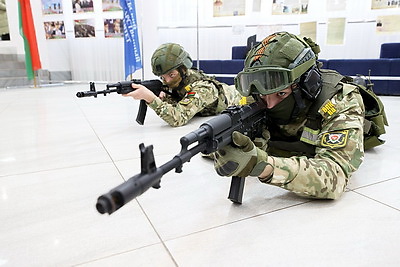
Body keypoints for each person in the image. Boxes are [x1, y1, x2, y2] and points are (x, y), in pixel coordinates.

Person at [213, 31, 365, 200]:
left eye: (281, 94)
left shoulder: (339, 100)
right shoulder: (254, 98)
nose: (269, 104)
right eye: (263, 95)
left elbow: (335, 177)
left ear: (308, 85)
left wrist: (264, 166)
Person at [123, 43, 245, 127]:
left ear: (183, 69)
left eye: (171, 75)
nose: (167, 81)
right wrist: (164, 98)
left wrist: (150, 98)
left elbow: (178, 118)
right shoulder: (179, 82)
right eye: (162, 77)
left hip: (241, 97)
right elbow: (178, 102)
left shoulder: (203, 88)